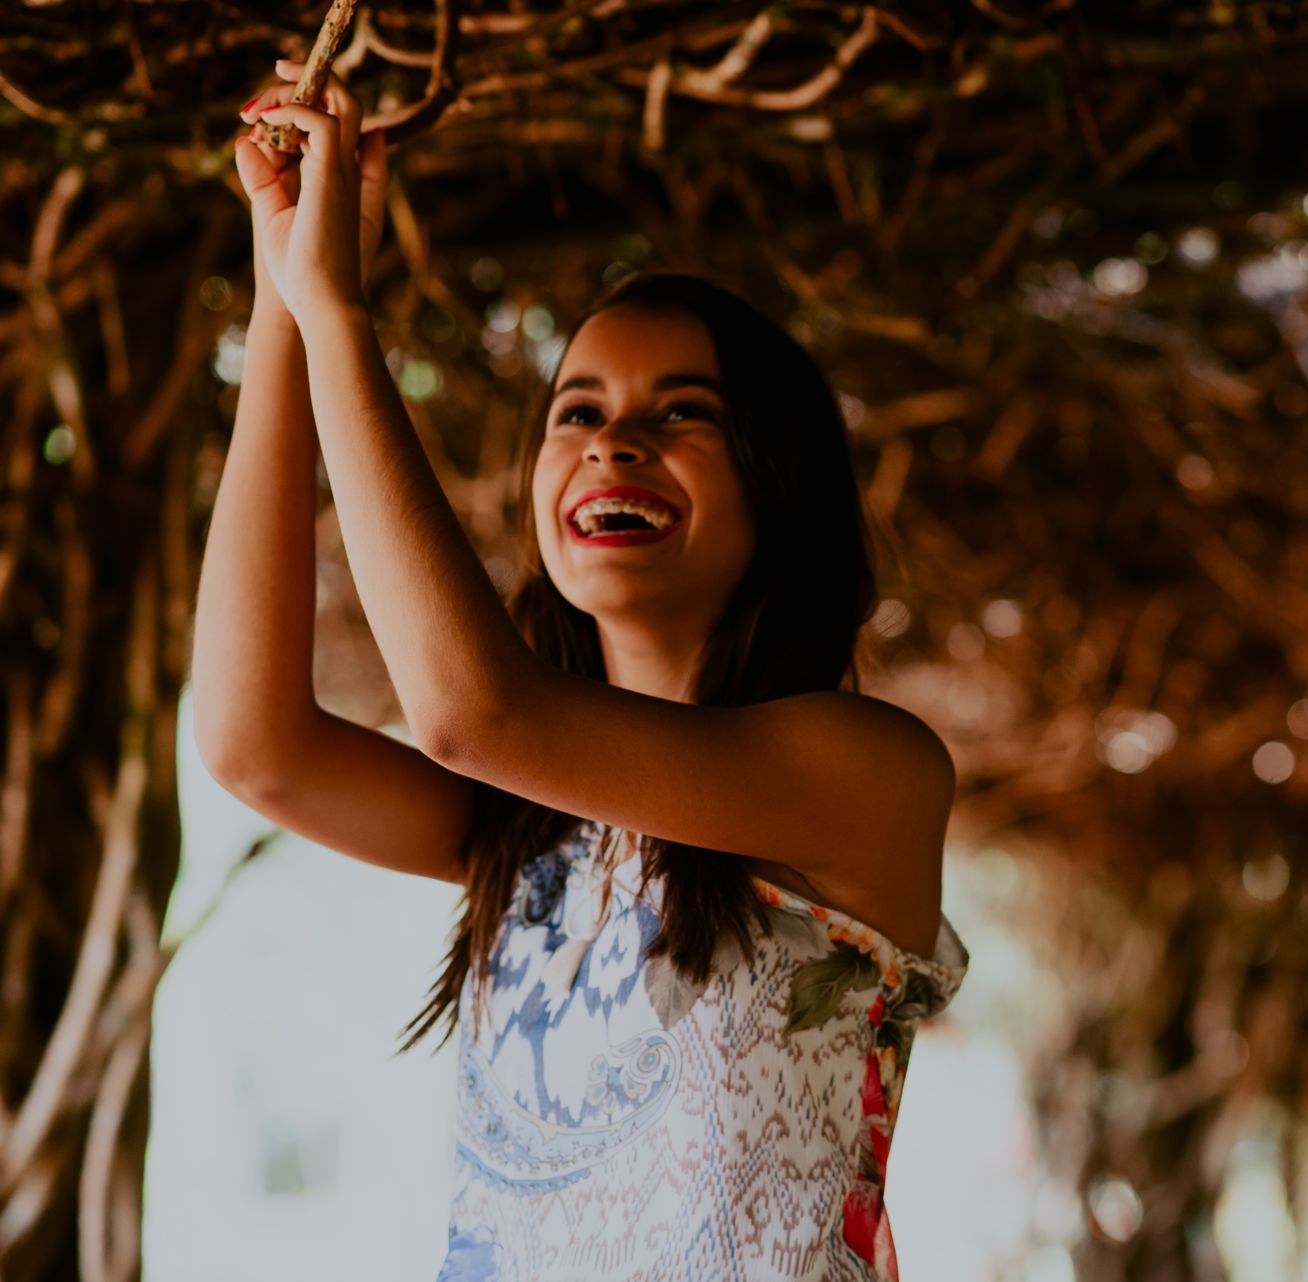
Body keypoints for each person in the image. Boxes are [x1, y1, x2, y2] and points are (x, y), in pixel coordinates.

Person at [196, 58, 969, 1281]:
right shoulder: (529, 827)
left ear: (780, 485)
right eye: (577, 410)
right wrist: (281, 297)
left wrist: (342, 312)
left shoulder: (865, 773)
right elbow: (254, 746)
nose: (615, 439)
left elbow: (473, 712)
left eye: (683, 413)